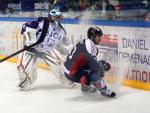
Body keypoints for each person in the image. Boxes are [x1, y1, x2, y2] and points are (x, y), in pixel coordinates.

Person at [17, 9, 75, 90]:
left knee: (59, 66)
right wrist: (30, 39)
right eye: (56, 17)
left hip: (47, 50)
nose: (58, 19)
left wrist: (63, 49)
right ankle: (24, 83)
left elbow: (58, 44)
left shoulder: (61, 31)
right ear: (51, 17)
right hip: (32, 49)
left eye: (59, 17)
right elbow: (25, 26)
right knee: (24, 68)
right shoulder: (42, 22)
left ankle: (68, 81)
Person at [63, 26, 116, 97]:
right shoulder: (89, 45)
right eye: (98, 36)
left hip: (69, 69)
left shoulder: (87, 42)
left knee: (96, 68)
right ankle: (104, 91)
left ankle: (85, 86)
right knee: (98, 72)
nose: (100, 39)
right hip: (72, 72)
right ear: (92, 36)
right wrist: (100, 69)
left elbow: (88, 61)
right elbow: (93, 64)